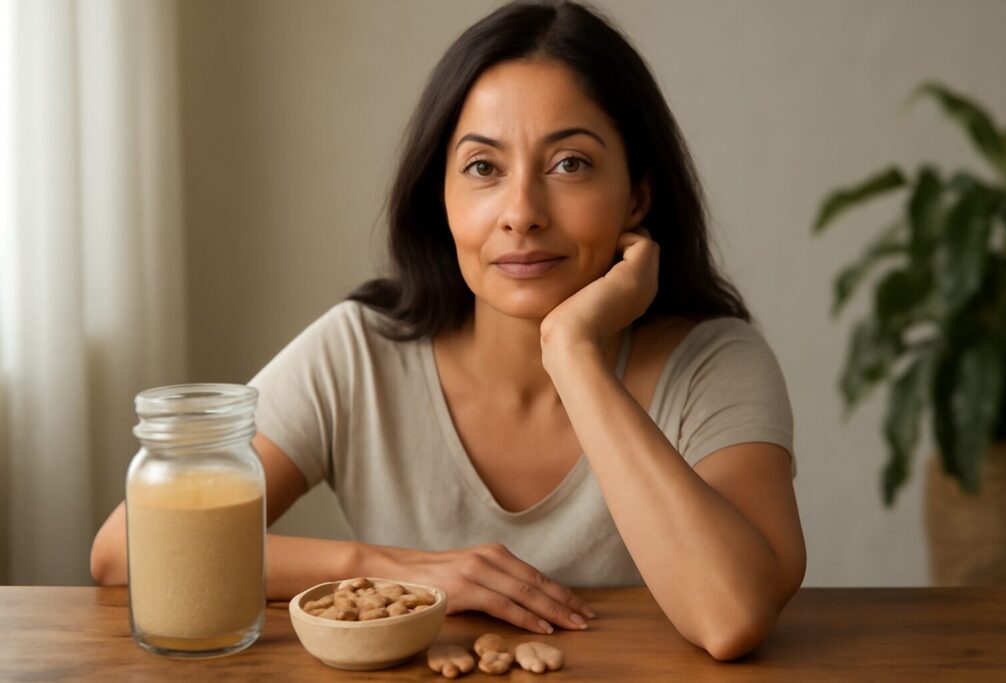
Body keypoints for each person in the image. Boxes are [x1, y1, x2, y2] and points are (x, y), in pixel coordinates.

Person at [92, 0, 805, 661]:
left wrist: (573, 353)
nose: (520, 211)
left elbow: (730, 615)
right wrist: (381, 565)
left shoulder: (714, 361)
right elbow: (127, 548)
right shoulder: (358, 353)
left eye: (570, 163)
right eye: (483, 167)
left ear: (636, 196)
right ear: (443, 198)